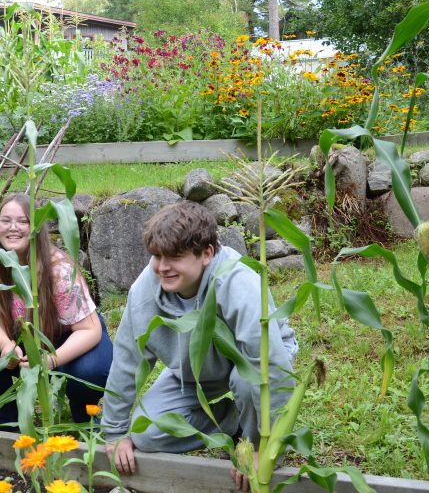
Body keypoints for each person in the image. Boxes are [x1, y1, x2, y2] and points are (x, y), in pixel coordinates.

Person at [101, 201, 299, 490]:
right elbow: (126, 362)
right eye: (157, 256)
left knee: (246, 381)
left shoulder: (238, 282)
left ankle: (251, 434)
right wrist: (115, 433)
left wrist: (265, 449)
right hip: (192, 371)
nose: (162, 267)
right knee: (146, 434)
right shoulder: (144, 293)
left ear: (206, 253)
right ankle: (231, 422)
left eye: (174, 257)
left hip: (253, 364)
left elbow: (271, 366)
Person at [0, 193, 113, 426]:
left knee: (90, 371)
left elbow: (88, 331)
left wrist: (50, 360)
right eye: (6, 221)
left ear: (36, 227)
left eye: (23, 221)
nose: (13, 228)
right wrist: (6, 346)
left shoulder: (59, 269)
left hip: (70, 339)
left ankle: (85, 417)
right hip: (21, 340)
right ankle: (4, 424)